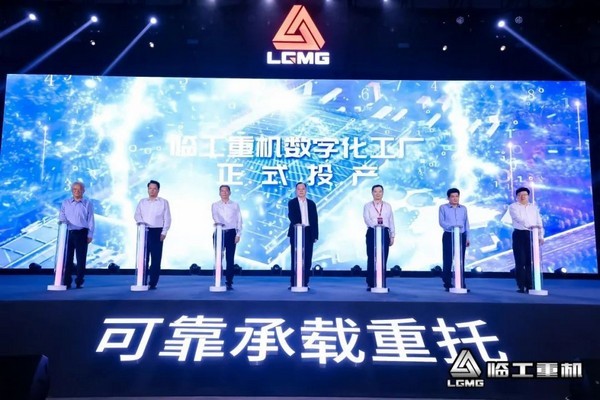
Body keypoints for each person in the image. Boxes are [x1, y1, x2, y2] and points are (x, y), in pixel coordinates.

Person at [134, 180, 171, 290]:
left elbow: (167, 218)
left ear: (158, 190)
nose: (152, 191)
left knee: (156, 259)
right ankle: (142, 281)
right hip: (144, 231)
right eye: (150, 188)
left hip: (157, 231)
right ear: (147, 189)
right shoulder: (142, 202)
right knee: (143, 258)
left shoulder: (163, 202)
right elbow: (137, 215)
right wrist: (141, 223)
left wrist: (164, 232)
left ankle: (153, 282)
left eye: (154, 189)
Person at [59, 182, 95, 289]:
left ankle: (79, 281)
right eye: (74, 189)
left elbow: (91, 220)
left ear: (83, 191)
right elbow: (62, 216)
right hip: (68, 233)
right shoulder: (65, 203)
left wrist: (90, 234)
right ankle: (66, 282)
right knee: (67, 259)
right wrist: (63, 223)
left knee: (81, 259)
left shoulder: (88, 203)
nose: (77, 191)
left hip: (82, 233)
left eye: (79, 189)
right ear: (72, 190)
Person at [509, 187, 544, 293]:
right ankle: (521, 285)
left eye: (525, 195)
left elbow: (539, 222)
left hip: (532, 234)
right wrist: (531, 226)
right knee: (520, 261)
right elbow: (518, 219)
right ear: (517, 196)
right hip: (519, 234)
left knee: (530, 261)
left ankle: (530, 285)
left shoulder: (533, 207)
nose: (523, 197)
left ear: (528, 196)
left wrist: (540, 236)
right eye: (520, 195)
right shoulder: (513, 207)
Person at [363, 184, 395, 291]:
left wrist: (392, 235)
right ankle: (371, 283)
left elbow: (391, 221)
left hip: (384, 233)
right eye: (375, 191)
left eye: (380, 191)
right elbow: (367, 219)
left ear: (383, 193)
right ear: (372, 193)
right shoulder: (367, 206)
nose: (377, 194)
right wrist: (376, 226)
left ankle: (382, 282)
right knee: (372, 257)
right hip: (372, 232)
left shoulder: (387, 206)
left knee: (383, 257)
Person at [287, 182, 319, 288]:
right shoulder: (292, 203)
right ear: (296, 191)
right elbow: (291, 216)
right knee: (296, 258)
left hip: (308, 232)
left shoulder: (311, 203)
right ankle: (294, 282)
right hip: (296, 232)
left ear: (306, 190)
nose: (301, 191)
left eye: (303, 189)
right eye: (299, 189)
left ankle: (305, 282)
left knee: (307, 258)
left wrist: (315, 235)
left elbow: (315, 220)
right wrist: (299, 225)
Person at [211, 185, 243, 290]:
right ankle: (217, 279)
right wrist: (220, 226)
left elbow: (239, 220)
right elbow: (215, 217)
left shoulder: (235, 205)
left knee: (230, 258)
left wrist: (238, 234)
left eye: (226, 191)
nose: (224, 193)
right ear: (219, 193)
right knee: (218, 257)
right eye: (222, 191)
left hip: (231, 233)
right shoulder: (215, 205)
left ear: (230, 192)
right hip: (219, 232)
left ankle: (229, 281)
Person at [438, 188, 470, 292]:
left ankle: (461, 283)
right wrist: (452, 227)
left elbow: (466, 223)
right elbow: (441, 222)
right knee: (448, 259)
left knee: (460, 260)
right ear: (448, 198)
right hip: (449, 234)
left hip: (461, 235)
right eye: (452, 196)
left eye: (457, 196)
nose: (455, 198)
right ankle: (447, 283)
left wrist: (467, 237)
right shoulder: (443, 208)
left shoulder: (463, 208)